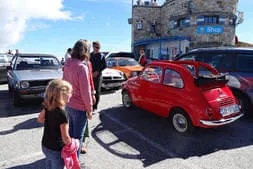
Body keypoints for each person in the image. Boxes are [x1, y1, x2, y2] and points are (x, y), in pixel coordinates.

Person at [63, 39, 93, 158]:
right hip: (79, 107)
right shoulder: (81, 67)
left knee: (71, 134)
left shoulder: (67, 64)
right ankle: (74, 162)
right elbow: (86, 93)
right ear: (85, 51)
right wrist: (90, 110)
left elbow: (63, 84)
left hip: (68, 104)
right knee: (78, 137)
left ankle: (69, 158)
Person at [37, 79, 73, 169]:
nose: (71, 95)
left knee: (49, 164)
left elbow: (40, 119)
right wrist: (71, 144)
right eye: (69, 93)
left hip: (45, 145)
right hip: (57, 149)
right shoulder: (62, 114)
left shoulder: (48, 106)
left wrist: (51, 122)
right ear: (62, 95)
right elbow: (65, 137)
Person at [90, 41, 106, 111]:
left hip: (98, 76)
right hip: (90, 75)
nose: (98, 49)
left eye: (99, 47)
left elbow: (104, 65)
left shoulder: (101, 56)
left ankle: (95, 106)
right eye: (96, 47)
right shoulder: (90, 55)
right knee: (90, 91)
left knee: (97, 91)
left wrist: (97, 71)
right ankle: (90, 104)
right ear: (93, 47)